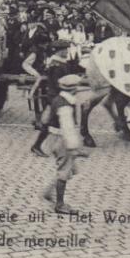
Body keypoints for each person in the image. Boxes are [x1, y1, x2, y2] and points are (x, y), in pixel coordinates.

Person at [41, 74, 87, 214]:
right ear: (74, 90)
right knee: (64, 171)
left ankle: (49, 191)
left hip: (54, 137)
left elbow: (45, 119)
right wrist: (74, 147)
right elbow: (67, 128)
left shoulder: (58, 100)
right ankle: (60, 205)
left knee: (69, 168)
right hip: (63, 140)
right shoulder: (65, 106)